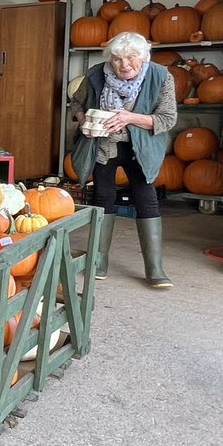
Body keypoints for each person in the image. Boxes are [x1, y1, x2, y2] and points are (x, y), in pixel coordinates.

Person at [70, 31, 177, 288]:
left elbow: (167, 118)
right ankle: (99, 261)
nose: (124, 64)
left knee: (146, 199)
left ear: (144, 57)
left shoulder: (161, 76)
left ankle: (155, 269)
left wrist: (131, 118)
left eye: (131, 57)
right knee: (103, 198)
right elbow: (76, 103)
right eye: (117, 59)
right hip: (104, 145)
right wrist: (84, 120)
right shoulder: (96, 74)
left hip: (142, 147)